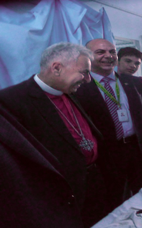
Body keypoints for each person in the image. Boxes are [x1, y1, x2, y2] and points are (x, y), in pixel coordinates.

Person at [0, 42, 108, 227]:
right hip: (59, 194)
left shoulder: (73, 91)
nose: (88, 80)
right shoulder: (12, 100)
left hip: (93, 182)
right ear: (57, 68)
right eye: (84, 72)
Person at [75, 38, 142, 209]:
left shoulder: (134, 82)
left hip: (139, 149)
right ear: (87, 56)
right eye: (100, 52)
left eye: (112, 51)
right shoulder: (80, 86)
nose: (108, 56)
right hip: (108, 153)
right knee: (114, 197)